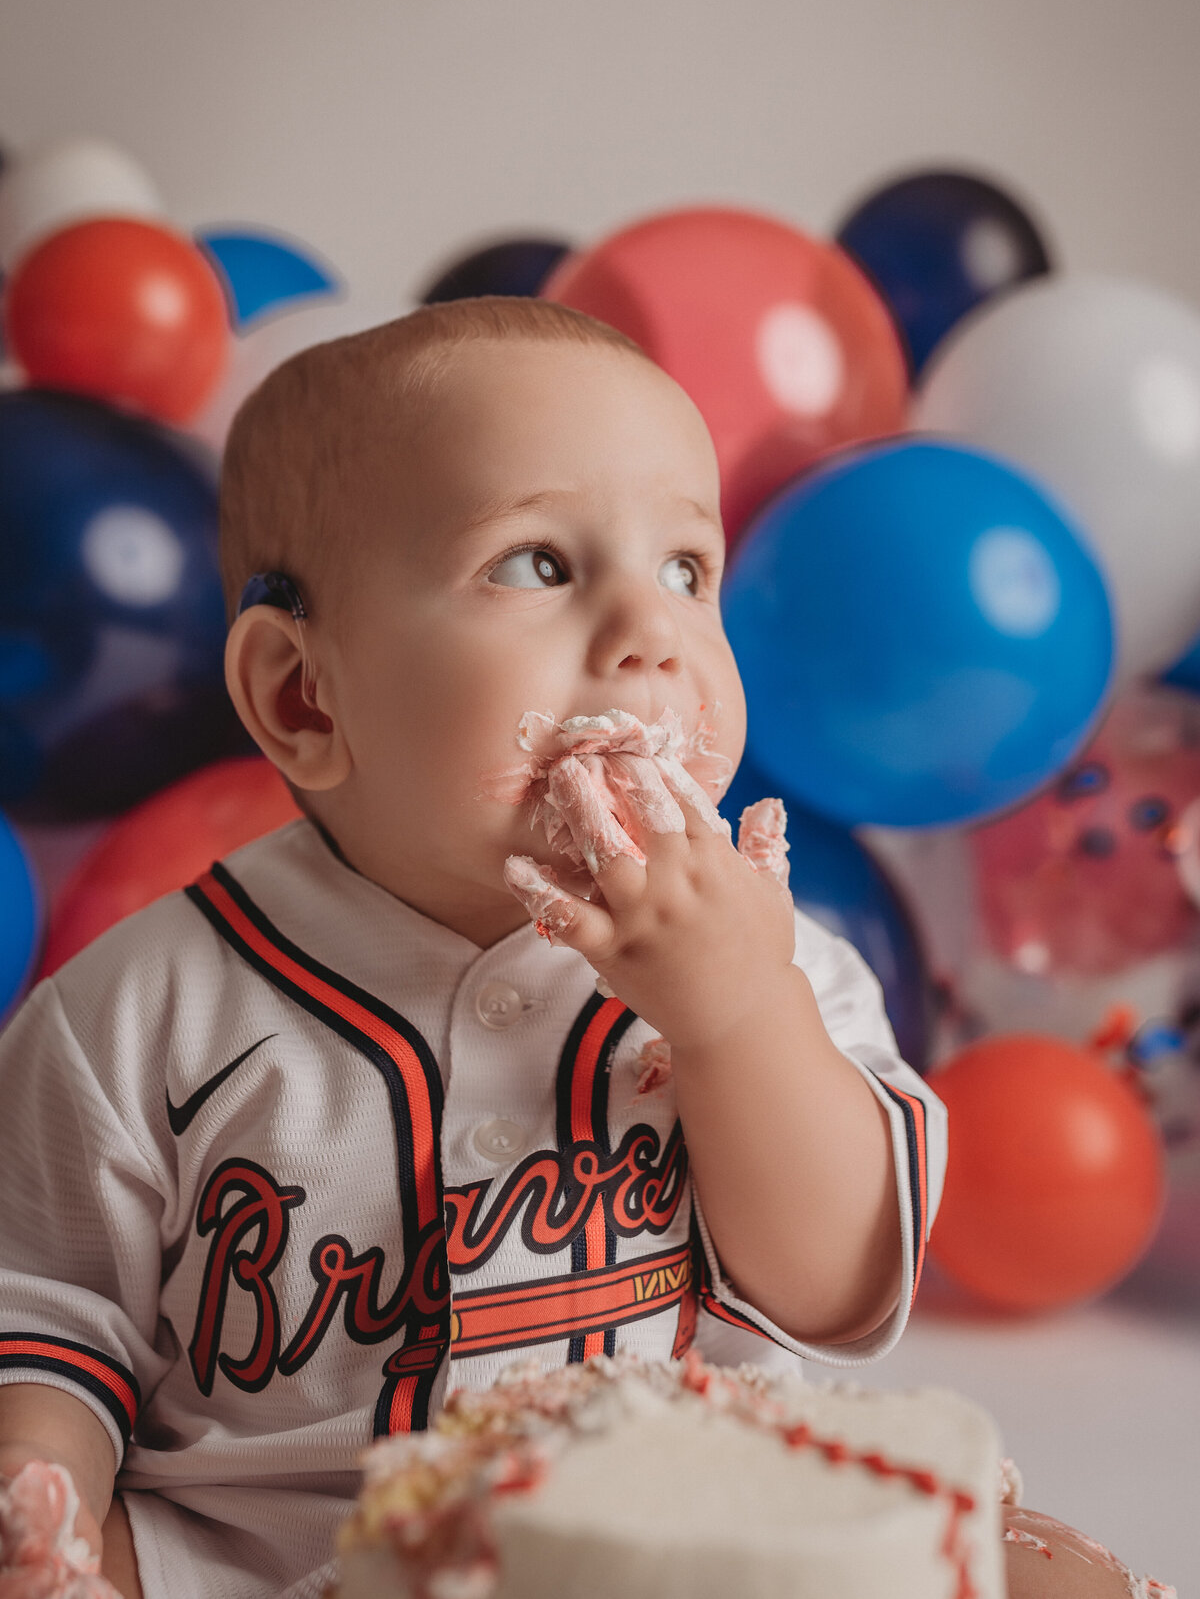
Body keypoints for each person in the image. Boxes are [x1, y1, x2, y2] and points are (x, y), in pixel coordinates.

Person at [0, 300, 1162, 1599]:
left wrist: (736, 1018)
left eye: (686, 569)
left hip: (682, 1525)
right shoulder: (144, 1010)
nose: (650, 629)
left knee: (1052, 1575)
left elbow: (838, 1287)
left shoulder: (772, 957)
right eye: (539, 564)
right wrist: (45, 1488)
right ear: (302, 694)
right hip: (279, 1549)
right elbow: (44, 1318)